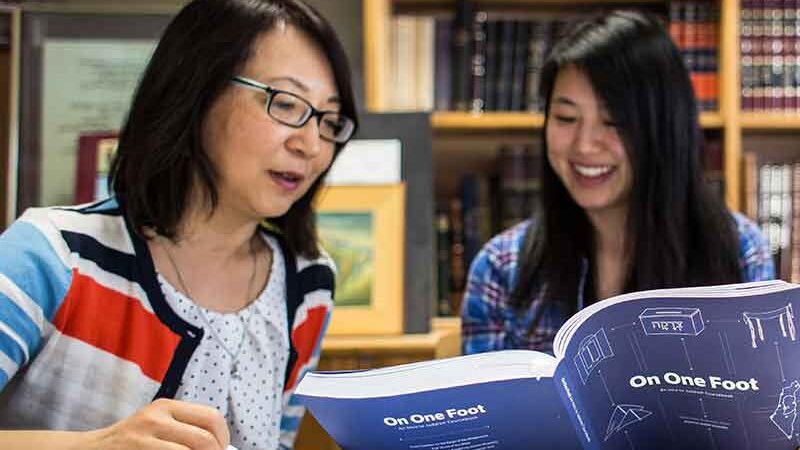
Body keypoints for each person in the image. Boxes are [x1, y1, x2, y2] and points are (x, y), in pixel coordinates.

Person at [0, 0, 357, 449]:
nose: (311, 144)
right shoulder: (52, 256)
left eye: (329, 120)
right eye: (285, 104)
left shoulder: (308, 281)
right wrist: (95, 446)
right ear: (196, 90)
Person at [461, 10, 774, 355]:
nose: (584, 144)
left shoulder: (739, 250)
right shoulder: (502, 268)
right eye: (566, 118)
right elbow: (488, 407)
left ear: (664, 128)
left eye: (613, 120)